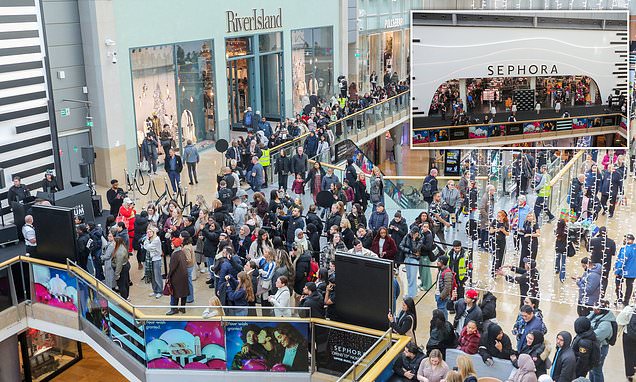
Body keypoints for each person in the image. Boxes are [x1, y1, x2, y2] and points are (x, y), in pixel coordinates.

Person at [587, 300, 616, 382]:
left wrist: (585, 331)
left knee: (597, 371)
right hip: (594, 346)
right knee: (591, 369)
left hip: (600, 349)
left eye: (597, 308)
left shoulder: (606, 324)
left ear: (602, 310)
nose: (594, 309)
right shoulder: (595, 314)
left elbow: (595, 336)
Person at [588, 227, 616, 297]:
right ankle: (602, 295)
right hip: (606, 264)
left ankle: (593, 293)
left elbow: (588, 249)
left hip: (594, 264)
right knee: (604, 279)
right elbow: (613, 253)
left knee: (593, 278)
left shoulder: (593, 240)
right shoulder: (611, 242)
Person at [166, 237, 189, 315]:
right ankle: (183, 308)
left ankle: (174, 309)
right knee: (184, 292)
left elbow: (172, 268)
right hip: (184, 276)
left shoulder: (175, 255)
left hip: (176, 278)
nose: (171, 245)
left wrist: (168, 277)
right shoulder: (182, 252)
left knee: (174, 294)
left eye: (172, 244)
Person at [615, 233, 636, 306]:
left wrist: (617, 271)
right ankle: (626, 301)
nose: (623, 240)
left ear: (629, 240)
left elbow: (622, 261)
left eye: (625, 239)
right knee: (629, 286)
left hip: (623, 271)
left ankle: (619, 298)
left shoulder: (625, 249)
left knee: (618, 284)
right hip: (633, 272)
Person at [142, 226, 163, 299]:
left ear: (153, 232)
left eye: (150, 232)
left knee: (157, 276)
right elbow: (145, 246)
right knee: (152, 276)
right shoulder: (149, 239)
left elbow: (148, 247)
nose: (148, 233)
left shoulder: (156, 239)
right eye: (147, 232)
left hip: (156, 259)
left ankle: (160, 291)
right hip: (150, 259)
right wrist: (147, 242)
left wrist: (146, 242)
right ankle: (155, 290)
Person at [490, 210, 509, 277]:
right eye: (497, 216)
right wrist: (496, 229)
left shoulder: (506, 223)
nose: (498, 217)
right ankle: (493, 271)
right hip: (495, 241)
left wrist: (503, 230)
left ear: (503, 217)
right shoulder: (494, 221)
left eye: (499, 216)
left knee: (501, 256)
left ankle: (498, 270)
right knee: (496, 257)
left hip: (502, 241)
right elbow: (491, 231)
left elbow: (508, 233)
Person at [435, 255, 454, 320]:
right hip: (438, 294)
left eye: (438, 261)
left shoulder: (447, 273)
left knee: (442, 311)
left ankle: (444, 324)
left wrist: (441, 296)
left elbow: (448, 288)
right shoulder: (441, 270)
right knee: (441, 310)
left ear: (442, 262)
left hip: (442, 297)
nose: (437, 262)